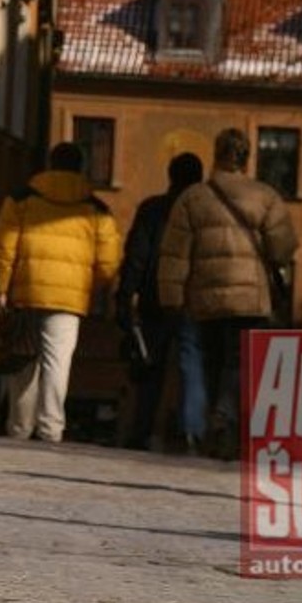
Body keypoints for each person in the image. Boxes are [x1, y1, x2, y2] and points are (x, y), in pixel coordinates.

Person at [156, 128, 297, 458]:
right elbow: (283, 250)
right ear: (247, 158)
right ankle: (226, 418)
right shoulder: (266, 196)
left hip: (206, 296)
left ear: (215, 154)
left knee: (211, 361)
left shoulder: (193, 198)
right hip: (250, 297)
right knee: (240, 361)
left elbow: (175, 253)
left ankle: (212, 423)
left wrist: (171, 298)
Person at [0, 141, 122, 443]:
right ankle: (51, 428)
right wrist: (89, 287)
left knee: (23, 362)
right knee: (57, 363)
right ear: (81, 168)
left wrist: (1, 288)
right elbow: (108, 263)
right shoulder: (96, 208)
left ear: (50, 164)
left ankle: (19, 429)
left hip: (26, 293)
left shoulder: (22, 198)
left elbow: (3, 245)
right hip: (68, 301)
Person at [117, 151, 205, 452]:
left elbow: (137, 256)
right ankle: (190, 432)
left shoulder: (152, 209)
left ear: (170, 176)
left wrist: (125, 294)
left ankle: (141, 430)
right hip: (194, 299)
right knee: (190, 365)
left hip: (155, 300)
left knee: (150, 368)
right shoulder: (203, 210)